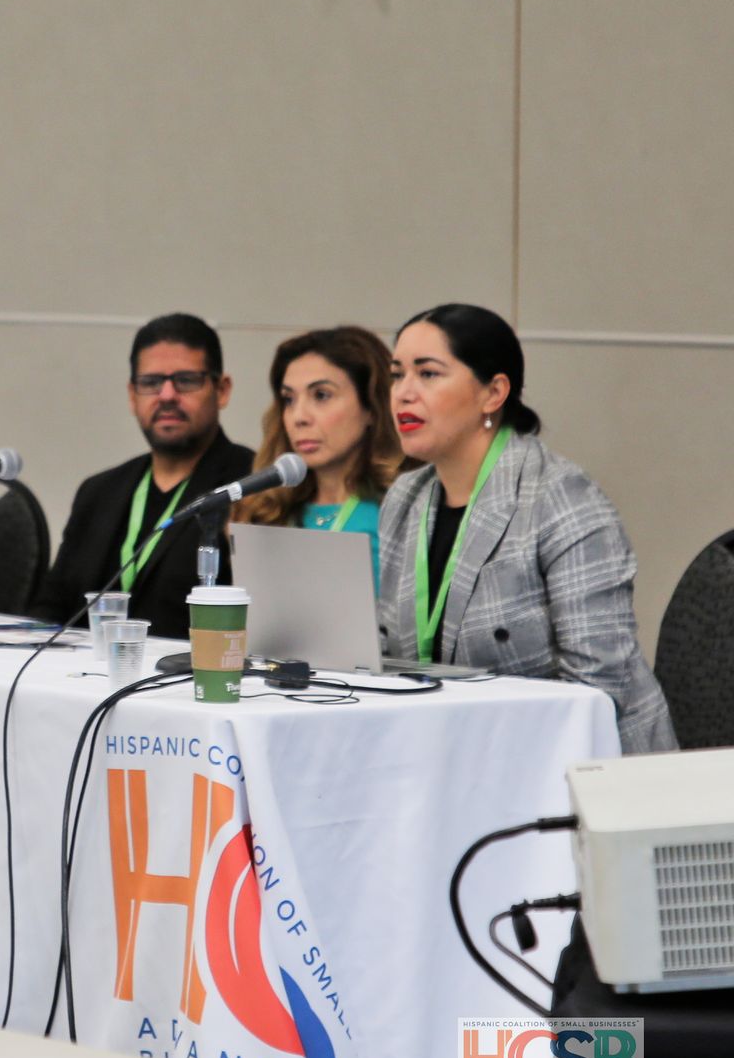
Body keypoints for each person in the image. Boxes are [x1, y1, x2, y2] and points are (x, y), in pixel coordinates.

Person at [378, 304, 675, 754]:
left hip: (582, 773)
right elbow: (386, 655)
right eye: (397, 374)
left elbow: (598, 688)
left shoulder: (562, 499)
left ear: (493, 393)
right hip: (445, 752)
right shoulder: (405, 498)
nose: (403, 393)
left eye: (428, 374)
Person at [31, 313, 254, 636]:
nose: (166, 396)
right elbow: (51, 607)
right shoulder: (98, 492)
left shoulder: (252, 486)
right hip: (82, 678)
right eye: (150, 383)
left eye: (186, 380)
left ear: (222, 390)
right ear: (132, 395)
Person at [233, 326, 402, 583]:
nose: (299, 417)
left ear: (371, 408)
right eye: (288, 400)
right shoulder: (267, 511)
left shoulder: (400, 508)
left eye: (321, 395)